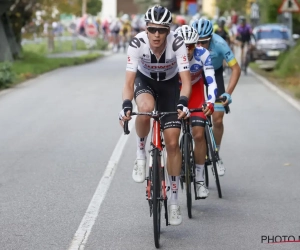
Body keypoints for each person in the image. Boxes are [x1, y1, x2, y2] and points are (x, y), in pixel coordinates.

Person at [119, 5, 191, 226]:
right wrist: (125, 105)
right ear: (146, 29)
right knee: (146, 109)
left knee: (172, 144)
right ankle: (141, 154)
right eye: (152, 30)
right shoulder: (136, 44)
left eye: (161, 30)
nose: (157, 35)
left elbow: (186, 82)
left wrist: (183, 102)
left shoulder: (177, 44)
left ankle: (175, 201)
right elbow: (129, 82)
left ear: (168, 31)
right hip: (146, 82)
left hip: (170, 87)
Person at [192, 18, 241, 176]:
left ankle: (216, 154)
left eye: (204, 42)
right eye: (196, 42)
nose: (199, 47)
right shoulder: (187, 44)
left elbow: (236, 69)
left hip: (215, 74)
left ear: (211, 39)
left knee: (218, 119)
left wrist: (228, 92)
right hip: (196, 75)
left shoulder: (220, 44)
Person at [175, 25, 217, 198]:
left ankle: (200, 180)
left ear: (197, 44)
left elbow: (211, 81)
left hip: (196, 92)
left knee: (199, 134)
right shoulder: (171, 55)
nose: (187, 49)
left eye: (191, 45)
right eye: (183, 45)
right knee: (171, 134)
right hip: (175, 92)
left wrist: (211, 102)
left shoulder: (203, 54)